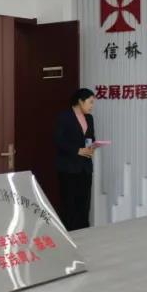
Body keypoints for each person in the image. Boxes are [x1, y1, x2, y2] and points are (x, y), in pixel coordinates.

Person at [54, 88, 98, 231]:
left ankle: (84, 232)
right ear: (80, 101)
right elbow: (58, 140)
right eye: (90, 102)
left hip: (85, 167)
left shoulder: (89, 118)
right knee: (69, 204)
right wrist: (78, 150)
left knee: (84, 204)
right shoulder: (64, 116)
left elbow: (91, 137)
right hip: (68, 168)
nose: (92, 106)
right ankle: (70, 233)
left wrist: (91, 147)